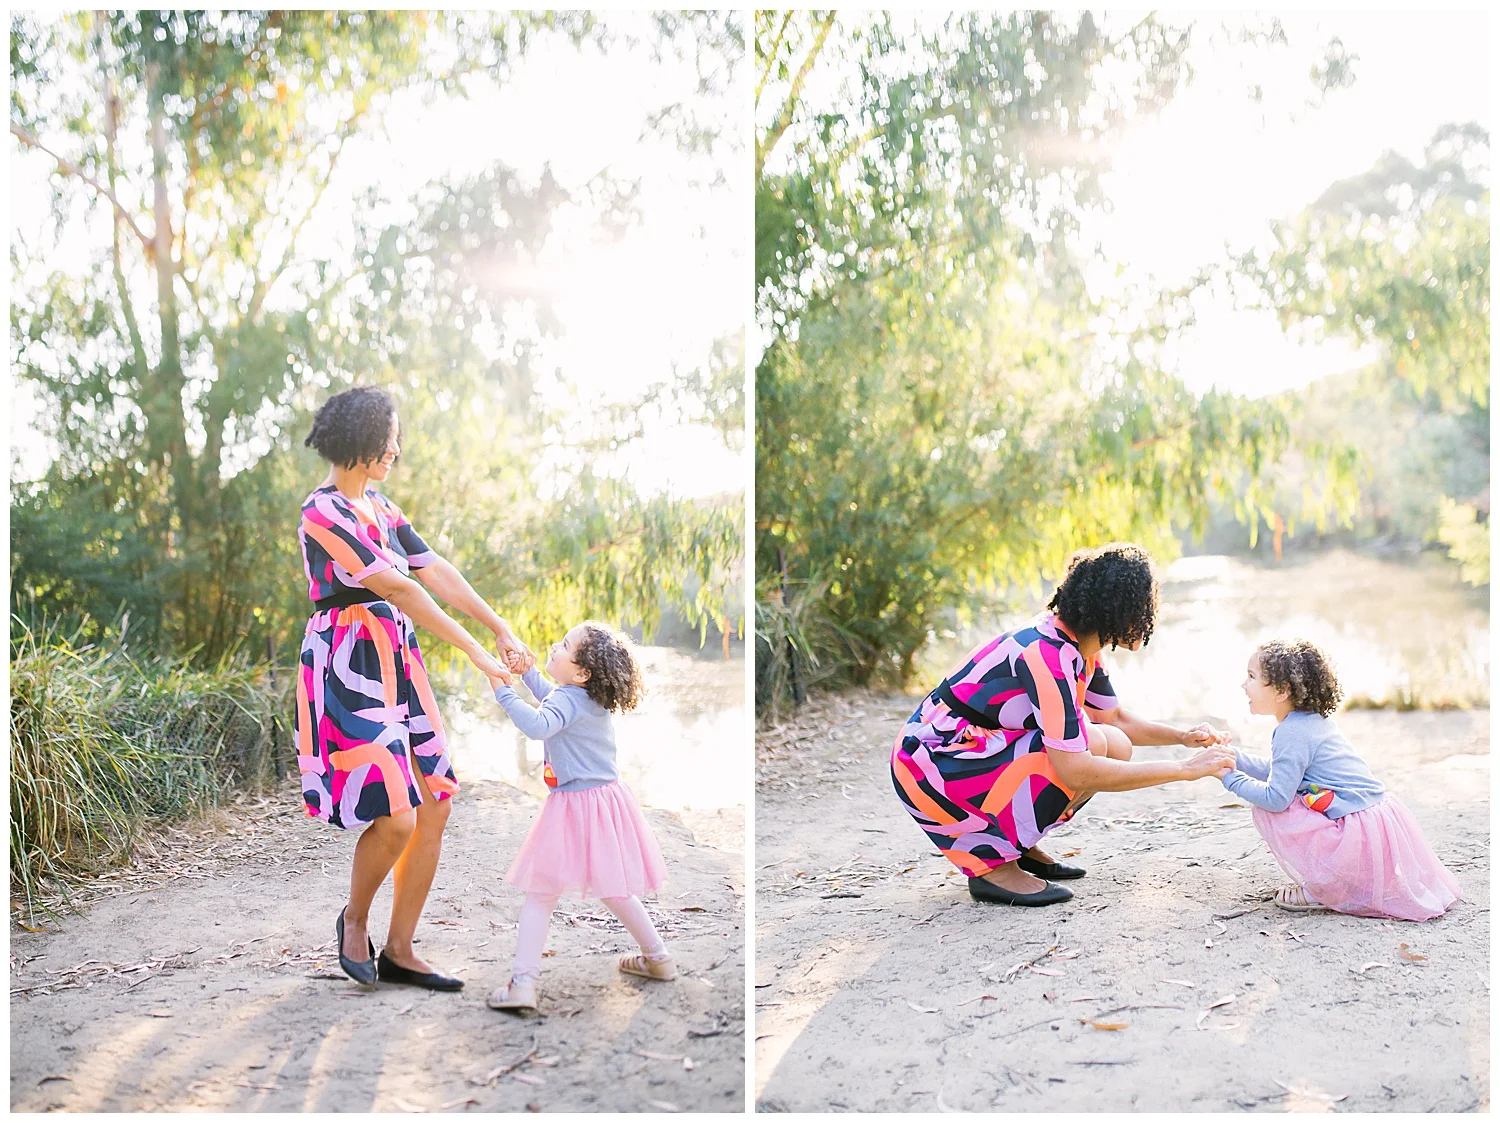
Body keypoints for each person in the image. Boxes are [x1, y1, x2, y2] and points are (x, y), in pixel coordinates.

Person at [296, 385, 529, 989]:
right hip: (350, 661)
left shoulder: (383, 507)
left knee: (436, 801)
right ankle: (354, 920)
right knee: (396, 817)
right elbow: (399, 589)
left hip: (398, 658)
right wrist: (475, 651)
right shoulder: (322, 513)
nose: (396, 448)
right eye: (389, 437)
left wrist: (498, 626)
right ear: (362, 441)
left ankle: (399, 950)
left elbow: (433, 571)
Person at [891, 542, 1236, 907]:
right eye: (1144, 605)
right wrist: (1185, 770)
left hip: (962, 754)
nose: (1149, 616)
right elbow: (1075, 770)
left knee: (1113, 742)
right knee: (1089, 750)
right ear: (1118, 607)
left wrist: (1183, 738)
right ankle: (991, 866)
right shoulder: (1046, 652)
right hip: (931, 765)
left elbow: (1114, 717)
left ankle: (1012, 846)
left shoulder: (1080, 646)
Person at [484, 622, 671, 1013]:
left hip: (575, 806)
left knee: (540, 894)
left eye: (564, 645)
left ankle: (523, 983)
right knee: (616, 888)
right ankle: (658, 958)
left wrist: (502, 690)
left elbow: (539, 724)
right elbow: (554, 698)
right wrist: (527, 675)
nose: (554, 645)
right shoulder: (585, 697)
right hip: (606, 801)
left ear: (582, 672)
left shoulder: (567, 702)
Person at [1223, 639, 1461, 920]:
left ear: (1282, 691)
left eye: (1251, 677)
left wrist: (1228, 777)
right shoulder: (1308, 721)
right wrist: (1229, 756)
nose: (1243, 685)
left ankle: (1326, 889)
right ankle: (1341, 882)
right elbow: (1280, 772)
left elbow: (1276, 798)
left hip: (1357, 831)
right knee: (1288, 797)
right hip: (1371, 823)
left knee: (1271, 808)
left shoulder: (1293, 733)